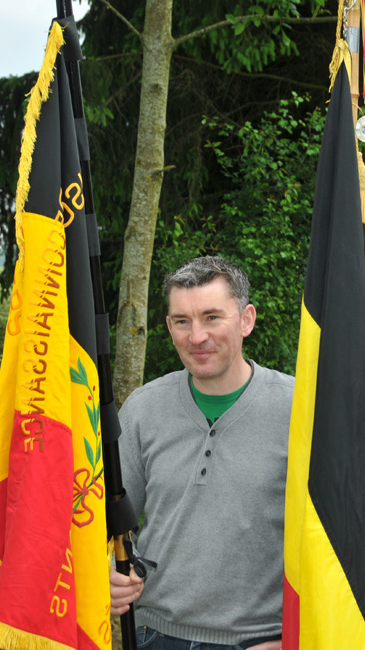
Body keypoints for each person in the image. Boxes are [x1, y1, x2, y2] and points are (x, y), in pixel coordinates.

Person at [109, 256, 294, 650]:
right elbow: (104, 523)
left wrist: (296, 639)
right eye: (182, 321)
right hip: (155, 635)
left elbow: (334, 539)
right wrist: (107, 570)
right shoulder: (143, 409)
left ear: (246, 319)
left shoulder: (300, 409)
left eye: (212, 317)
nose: (196, 336)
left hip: (263, 640)